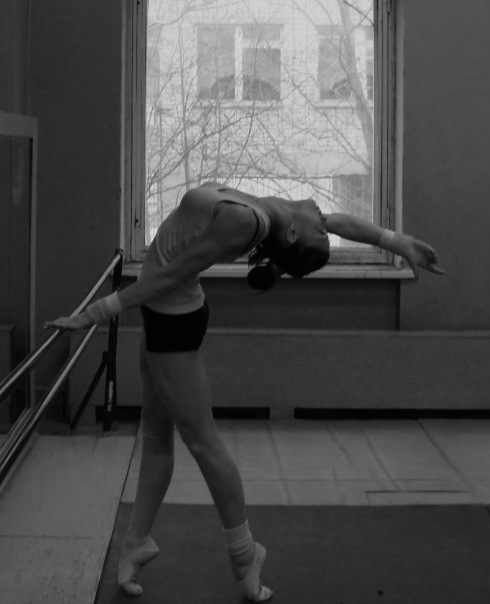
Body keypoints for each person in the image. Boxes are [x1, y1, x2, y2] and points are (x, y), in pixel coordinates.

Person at [45, 181, 444, 601]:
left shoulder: (246, 221)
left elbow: (170, 274)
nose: (323, 220)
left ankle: (244, 555)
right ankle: (137, 542)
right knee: (157, 435)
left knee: (203, 444)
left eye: (319, 230)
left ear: (293, 233)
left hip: (173, 319)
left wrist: (94, 313)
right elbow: (340, 222)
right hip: (165, 312)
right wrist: (398, 242)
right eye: (323, 230)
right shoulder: (267, 211)